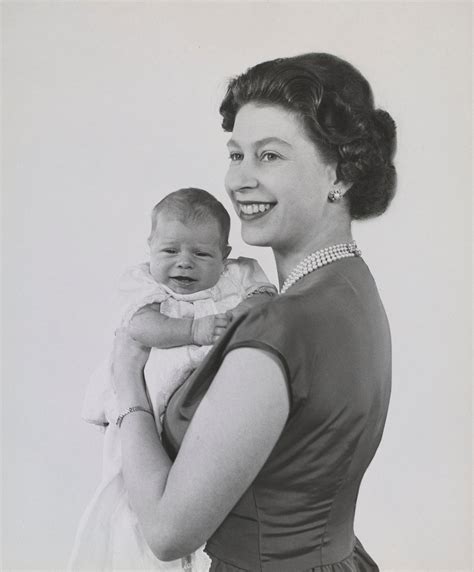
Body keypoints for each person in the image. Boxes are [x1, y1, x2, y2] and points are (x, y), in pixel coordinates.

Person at [110, 53, 397, 571]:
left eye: (269, 156)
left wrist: (125, 380)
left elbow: (168, 532)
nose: (240, 180)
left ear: (342, 175)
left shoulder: (279, 324)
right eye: (236, 155)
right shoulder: (351, 289)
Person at [68, 188, 277, 571]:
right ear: (150, 247)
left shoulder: (238, 274)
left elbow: (265, 301)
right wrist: (196, 329)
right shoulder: (143, 282)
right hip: (147, 394)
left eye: (201, 254)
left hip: (200, 410)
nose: (184, 263)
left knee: (193, 494)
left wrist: (239, 311)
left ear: (225, 255)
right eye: (170, 251)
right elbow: (140, 327)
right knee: (129, 494)